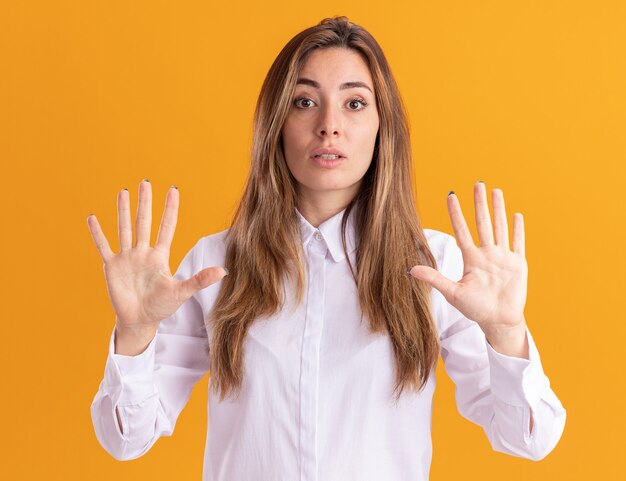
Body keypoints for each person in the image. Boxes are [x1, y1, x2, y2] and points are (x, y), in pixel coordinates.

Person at [88, 16, 566, 481]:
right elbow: (126, 439)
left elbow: (529, 438)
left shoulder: (437, 269)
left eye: (355, 103)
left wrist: (507, 334)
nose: (329, 126)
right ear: (275, 122)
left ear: (384, 125)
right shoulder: (215, 266)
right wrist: (134, 336)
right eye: (303, 101)